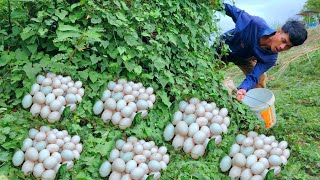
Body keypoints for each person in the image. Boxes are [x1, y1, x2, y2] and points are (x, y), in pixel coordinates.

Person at [219, 3, 308, 101]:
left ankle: (246, 102)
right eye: (284, 41)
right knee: (210, 74)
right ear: (279, 31)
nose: (282, 47)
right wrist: (214, 3)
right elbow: (232, 10)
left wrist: (243, 88)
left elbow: (253, 76)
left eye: (288, 46)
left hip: (243, 57)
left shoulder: (270, 58)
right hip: (223, 48)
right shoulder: (255, 24)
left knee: (260, 79)